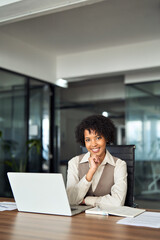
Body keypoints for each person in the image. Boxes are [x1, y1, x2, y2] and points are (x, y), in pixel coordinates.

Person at [66, 115, 127, 208]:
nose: (93, 144)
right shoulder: (74, 163)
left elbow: (118, 202)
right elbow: (70, 200)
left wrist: (86, 200)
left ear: (106, 138)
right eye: (88, 140)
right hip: (80, 219)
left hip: (108, 219)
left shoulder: (119, 165)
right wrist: (90, 172)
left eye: (98, 138)